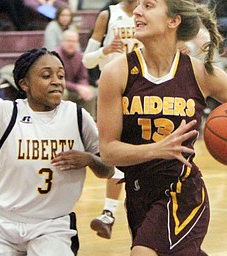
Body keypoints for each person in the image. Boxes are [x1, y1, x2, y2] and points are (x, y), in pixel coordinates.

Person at [97, 0, 227, 255]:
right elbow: (109, 152)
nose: (136, 11)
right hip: (138, 193)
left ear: (173, 20)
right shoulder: (117, 73)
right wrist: (157, 149)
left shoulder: (200, 73)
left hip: (182, 190)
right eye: (138, 5)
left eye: (148, 5)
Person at [0, 45, 114, 255]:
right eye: (46, 75)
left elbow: (108, 169)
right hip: (0, 222)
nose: (57, 81)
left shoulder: (78, 117)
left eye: (60, 75)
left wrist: (90, 159)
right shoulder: (6, 113)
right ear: (24, 84)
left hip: (52, 226)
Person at [82, 0, 143, 240]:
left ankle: (129, 210)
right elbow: (87, 60)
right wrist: (105, 51)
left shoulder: (151, 14)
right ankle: (108, 213)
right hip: (114, 93)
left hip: (143, 92)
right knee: (114, 152)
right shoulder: (108, 15)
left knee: (143, 156)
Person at [56, 30, 97, 120]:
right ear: (62, 42)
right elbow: (57, 80)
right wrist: (78, 88)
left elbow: (83, 77)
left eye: (74, 41)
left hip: (75, 89)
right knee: (62, 93)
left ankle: (89, 121)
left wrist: (83, 88)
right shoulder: (55, 57)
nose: (71, 44)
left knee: (91, 92)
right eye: (68, 41)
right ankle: (60, 120)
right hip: (61, 87)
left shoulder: (80, 56)